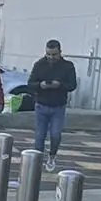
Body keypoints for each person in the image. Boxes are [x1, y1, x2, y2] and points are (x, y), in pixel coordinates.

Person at [27, 38, 79, 168]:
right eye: (48, 54)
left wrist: (59, 85)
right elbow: (30, 83)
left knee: (55, 134)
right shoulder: (39, 64)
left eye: (54, 54)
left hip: (58, 106)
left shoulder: (68, 66)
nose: (51, 57)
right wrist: (40, 85)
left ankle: (52, 155)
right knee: (39, 136)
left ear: (60, 52)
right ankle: (36, 163)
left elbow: (72, 85)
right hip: (41, 104)